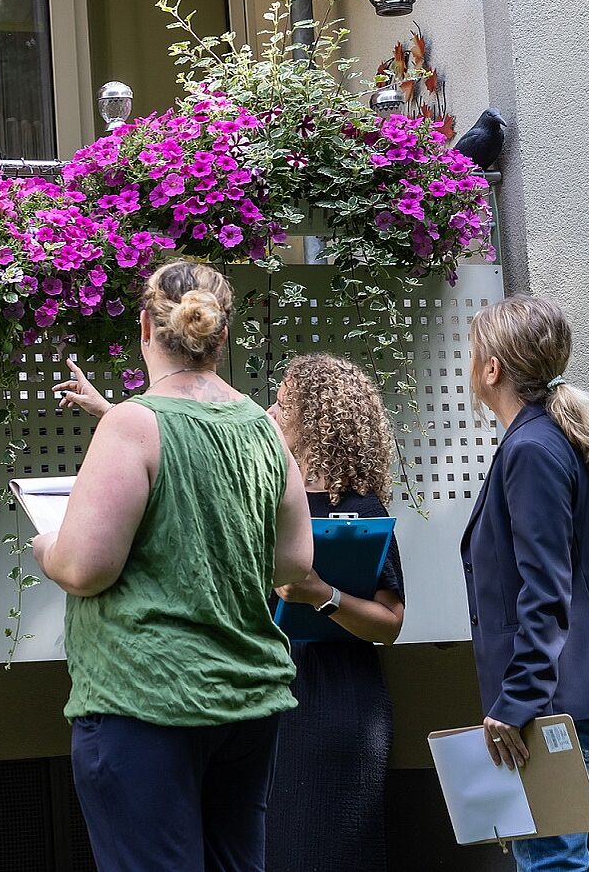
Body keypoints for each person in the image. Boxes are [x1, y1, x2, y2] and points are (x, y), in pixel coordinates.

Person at [35, 260, 314, 872]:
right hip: (246, 702)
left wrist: (48, 548)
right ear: (223, 333)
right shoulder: (262, 429)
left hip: (145, 702)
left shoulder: (133, 424)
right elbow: (293, 560)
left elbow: (85, 569)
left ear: (145, 327)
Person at [463, 296, 589, 871]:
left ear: (492, 368)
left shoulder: (530, 448)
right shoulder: (574, 439)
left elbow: (545, 590)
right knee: (579, 863)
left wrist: (517, 700)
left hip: (559, 705)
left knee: (553, 866)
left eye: (475, 355)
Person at [264, 354, 406, 872]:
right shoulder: (266, 501)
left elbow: (390, 622)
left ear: (317, 418)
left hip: (341, 703)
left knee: (335, 849)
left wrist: (322, 594)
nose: (272, 408)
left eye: (284, 400)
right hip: (268, 700)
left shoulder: (361, 513)